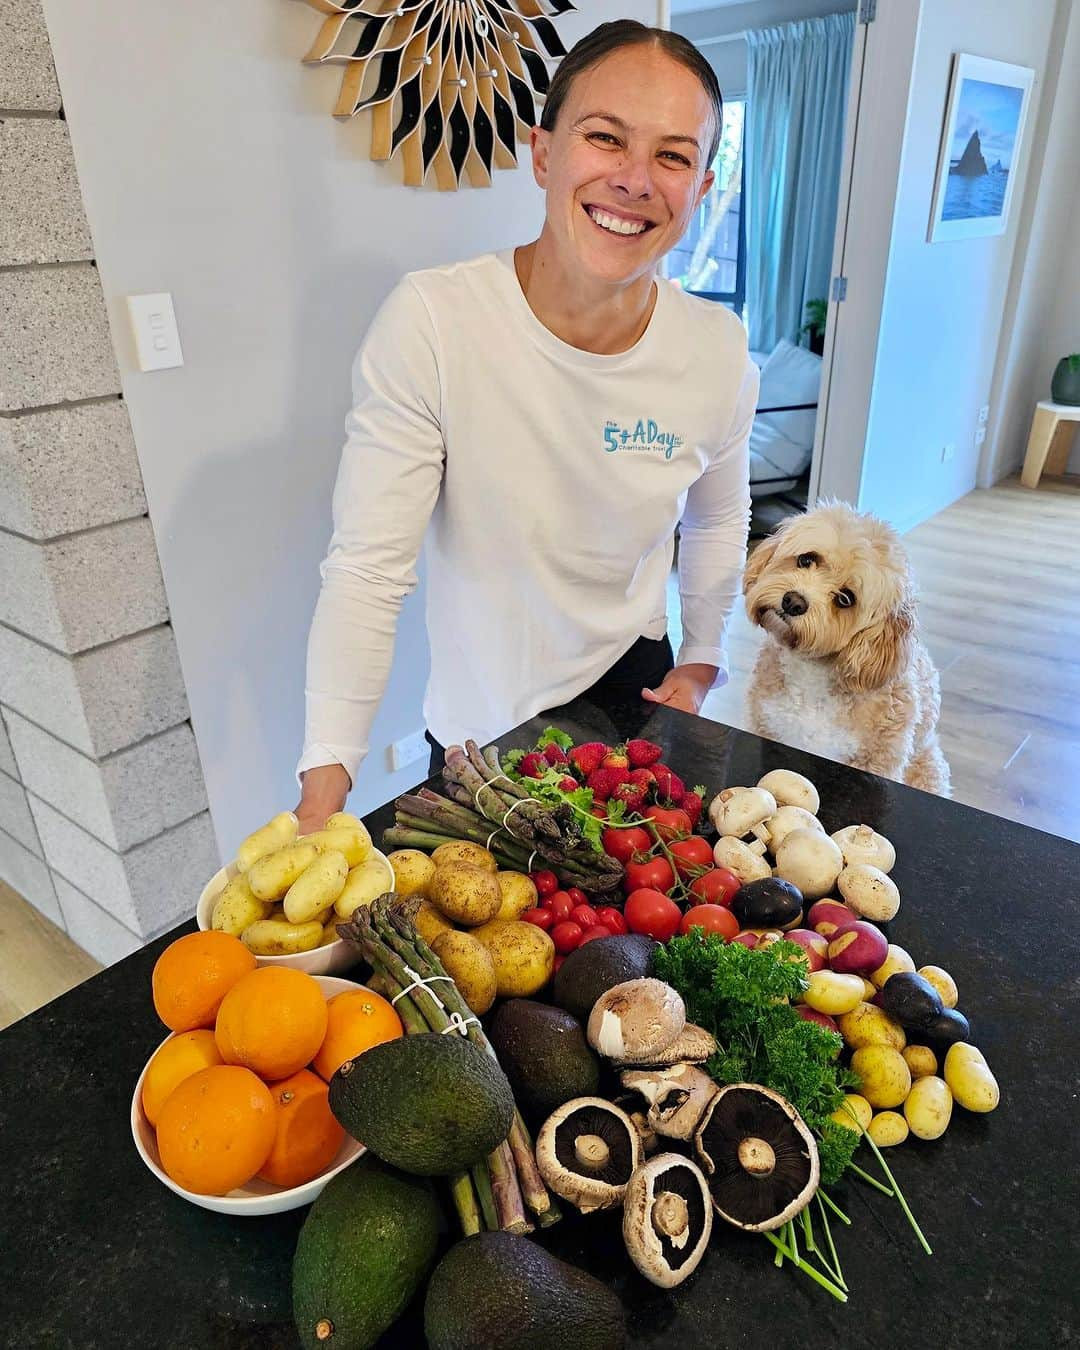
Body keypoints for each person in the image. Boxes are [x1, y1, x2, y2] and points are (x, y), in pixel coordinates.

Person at [295, 19, 757, 833]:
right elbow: (368, 569)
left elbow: (717, 517)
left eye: (674, 156)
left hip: (638, 693)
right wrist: (321, 802)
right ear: (543, 153)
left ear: (703, 184)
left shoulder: (718, 350)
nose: (636, 180)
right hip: (484, 728)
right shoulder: (436, 322)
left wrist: (704, 659)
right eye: (605, 138)